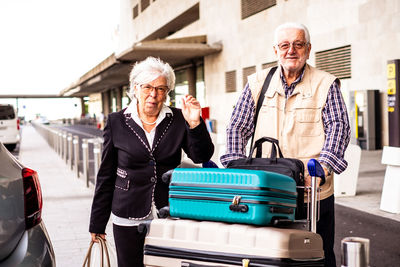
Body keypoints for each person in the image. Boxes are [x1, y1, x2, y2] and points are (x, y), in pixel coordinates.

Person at [220, 22, 350, 267]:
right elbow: (237, 125)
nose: (291, 50)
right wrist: (235, 164)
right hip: (267, 189)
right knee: (269, 254)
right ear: (276, 50)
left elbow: (339, 127)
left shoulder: (326, 84)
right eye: (284, 45)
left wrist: (324, 165)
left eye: (298, 44)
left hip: (312, 191)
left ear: (308, 49)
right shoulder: (257, 83)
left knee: (316, 253)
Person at [89, 56, 214, 267]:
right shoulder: (117, 121)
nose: (153, 94)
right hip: (128, 211)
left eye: (161, 88)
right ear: (135, 88)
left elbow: (201, 156)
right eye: (147, 87)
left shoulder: (178, 118)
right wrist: (97, 223)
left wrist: (195, 123)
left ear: (167, 92)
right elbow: (106, 174)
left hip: (169, 210)